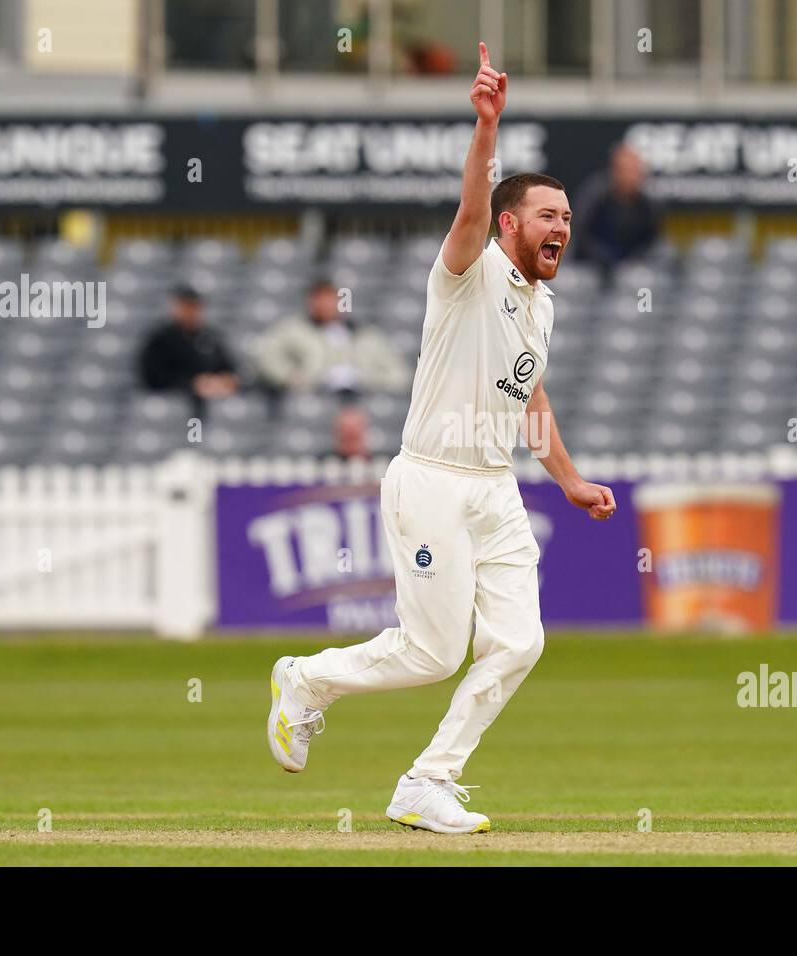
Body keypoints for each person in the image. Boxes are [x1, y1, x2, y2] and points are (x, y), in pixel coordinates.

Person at [264, 41, 617, 835]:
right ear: (509, 224)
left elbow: (530, 397)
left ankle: (427, 781)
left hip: (495, 489)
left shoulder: (542, 305)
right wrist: (486, 129)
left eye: (566, 216)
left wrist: (569, 479)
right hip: (430, 478)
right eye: (547, 216)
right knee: (431, 655)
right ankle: (307, 680)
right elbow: (466, 210)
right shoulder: (466, 270)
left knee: (519, 642)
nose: (561, 226)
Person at [250, 278, 409, 400]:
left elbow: (400, 375)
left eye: (330, 298)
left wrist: (365, 380)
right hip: (311, 398)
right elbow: (266, 357)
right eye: (319, 299)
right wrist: (296, 379)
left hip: (360, 400)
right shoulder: (292, 330)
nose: (325, 305)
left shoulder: (367, 335)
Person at [137, 284, 238, 406]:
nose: (191, 311)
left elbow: (227, 366)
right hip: (174, 404)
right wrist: (192, 384)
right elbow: (153, 377)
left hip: (211, 402)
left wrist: (223, 380)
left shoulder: (211, 336)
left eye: (195, 306)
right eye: (187, 306)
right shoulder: (160, 339)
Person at [572, 142, 660, 268]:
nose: (631, 177)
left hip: (633, 268)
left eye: (635, 171)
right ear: (615, 170)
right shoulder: (595, 196)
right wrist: (604, 259)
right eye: (626, 170)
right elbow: (580, 234)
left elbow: (651, 241)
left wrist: (633, 260)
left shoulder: (648, 204)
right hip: (591, 265)